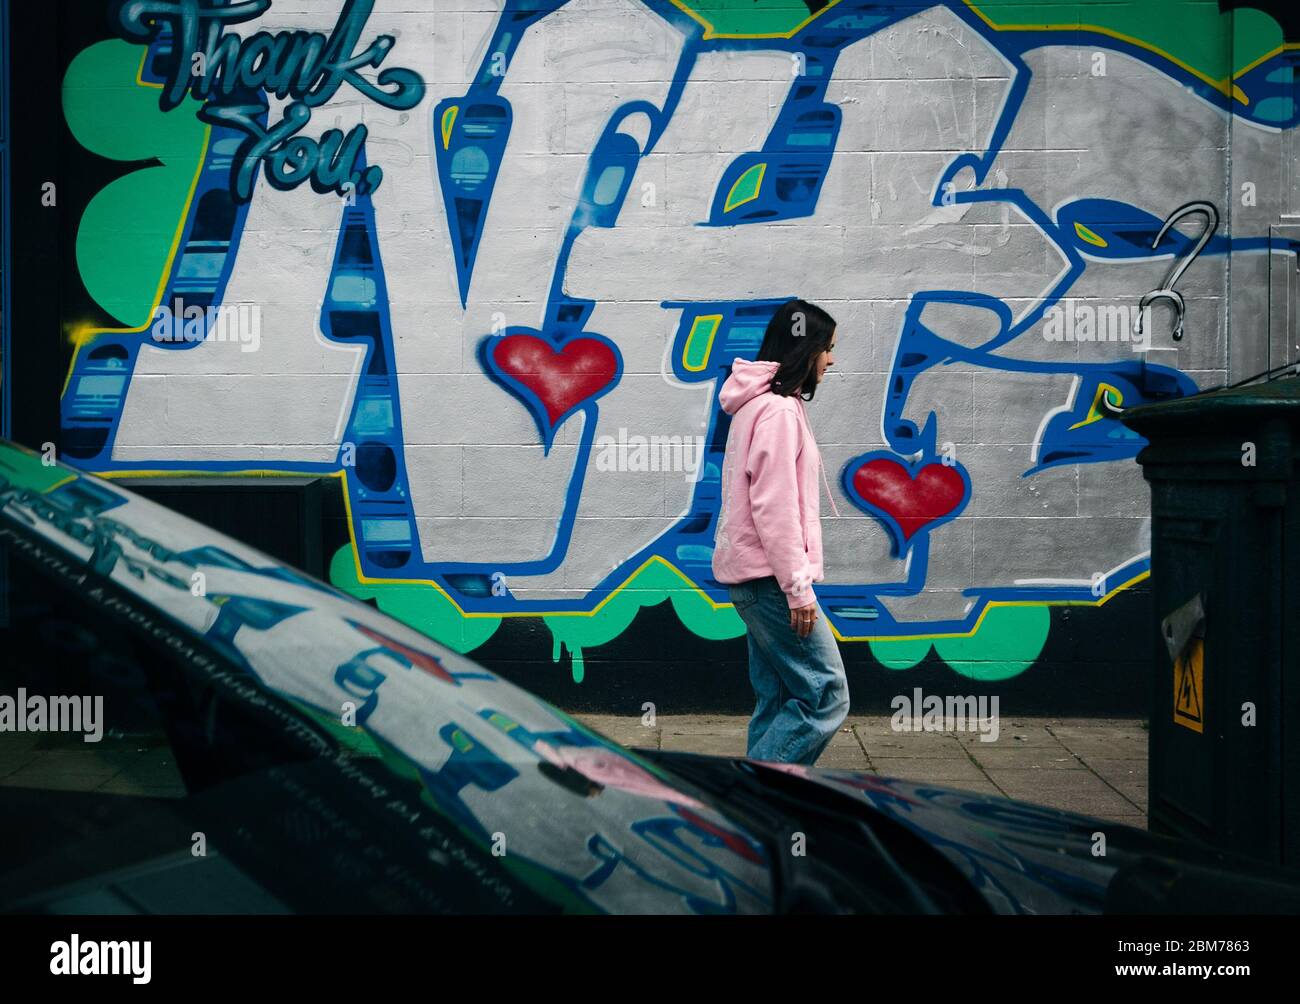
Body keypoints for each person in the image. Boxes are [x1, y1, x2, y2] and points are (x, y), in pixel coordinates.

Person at [712, 298, 849, 765]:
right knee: (827, 696)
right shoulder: (777, 412)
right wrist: (798, 589)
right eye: (826, 348)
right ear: (805, 349)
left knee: (775, 699)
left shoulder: (758, 405)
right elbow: (773, 508)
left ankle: (757, 824)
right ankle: (747, 795)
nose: (831, 359)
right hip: (771, 582)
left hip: (755, 579)